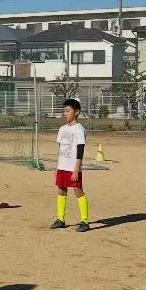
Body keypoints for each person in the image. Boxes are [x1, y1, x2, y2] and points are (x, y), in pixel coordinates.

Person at [51, 99, 92, 232]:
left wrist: (76, 169)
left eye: (68, 111)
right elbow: (60, 150)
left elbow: (80, 151)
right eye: (64, 111)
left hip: (73, 167)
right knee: (61, 190)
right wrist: (57, 168)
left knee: (78, 190)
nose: (65, 114)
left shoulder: (79, 129)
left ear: (77, 112)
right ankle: (60, 219)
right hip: (62, 166)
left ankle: (84, 221)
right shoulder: (62, 129)